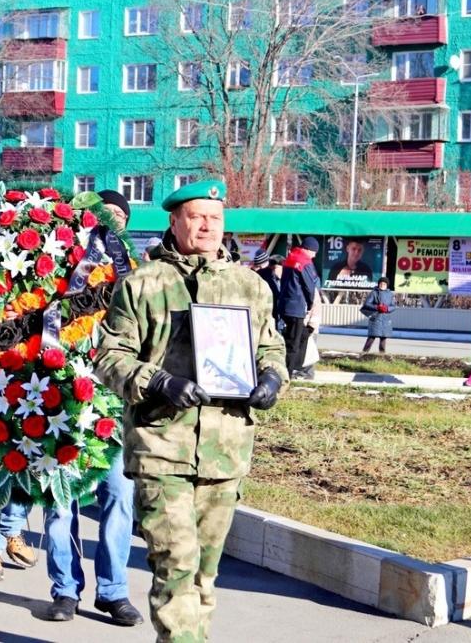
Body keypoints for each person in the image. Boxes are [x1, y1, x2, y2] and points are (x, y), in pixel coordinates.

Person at [95, 179, 287, 642]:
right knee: (176, 565)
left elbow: (271, 347)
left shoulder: (250, 286)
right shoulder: (142, 284)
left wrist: (272, 379)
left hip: (225, 450)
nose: (206, 226)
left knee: (204, 572)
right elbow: (109, 356)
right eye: (196, 216)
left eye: (215, 218)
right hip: (163, 446)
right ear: (175, 221)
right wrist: (157, 381)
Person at [41, 189, 142, 627]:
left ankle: (114, 591)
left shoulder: (135, 275)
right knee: (62, 503)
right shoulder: (59, 262)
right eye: (104, 213)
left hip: (115, 405)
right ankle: (65, 589)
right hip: (61, 399)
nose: (110, 220)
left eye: (119, 214)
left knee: (119, 495)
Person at [278, 237, 320, 378]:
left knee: (302, 335)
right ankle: (288, 373)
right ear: (309, 249)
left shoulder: (290, 258)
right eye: (314, 252)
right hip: (296, 307)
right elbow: (309, 286)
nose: (314, 256)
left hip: (284, 305)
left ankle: (295, 366)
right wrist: (309, 304)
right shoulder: (305, 262)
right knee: (293, 344)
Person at [361, 277, 396, 354]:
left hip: (385, 319)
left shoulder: (390, 294)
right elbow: (367, 304)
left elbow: (393, 306)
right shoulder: (374, 293)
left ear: (387, 285)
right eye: (381, 283)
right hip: (375, 317)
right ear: (378, 284)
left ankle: (382, 354)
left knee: (383, 337)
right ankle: (364, 352)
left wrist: (387, 308)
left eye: (384, 284)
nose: (382, 285)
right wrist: (377, 307)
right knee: (371, 337)